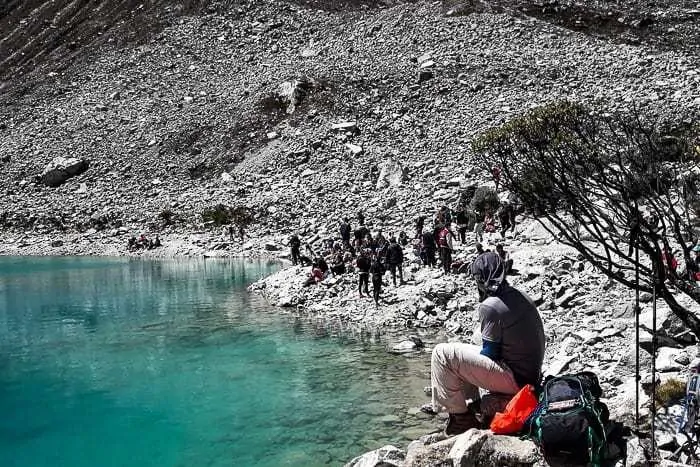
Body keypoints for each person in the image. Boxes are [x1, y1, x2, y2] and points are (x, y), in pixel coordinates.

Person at [429, 252, 545, 435]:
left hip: (516, 379)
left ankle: (461, 418)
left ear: (482, 278)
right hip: (531, 374)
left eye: (475, 278)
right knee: (472, 342)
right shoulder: (518, 294)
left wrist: (469, 368)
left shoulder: (490, 306)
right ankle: (473, 404)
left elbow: (490, 352)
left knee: (441, 354)